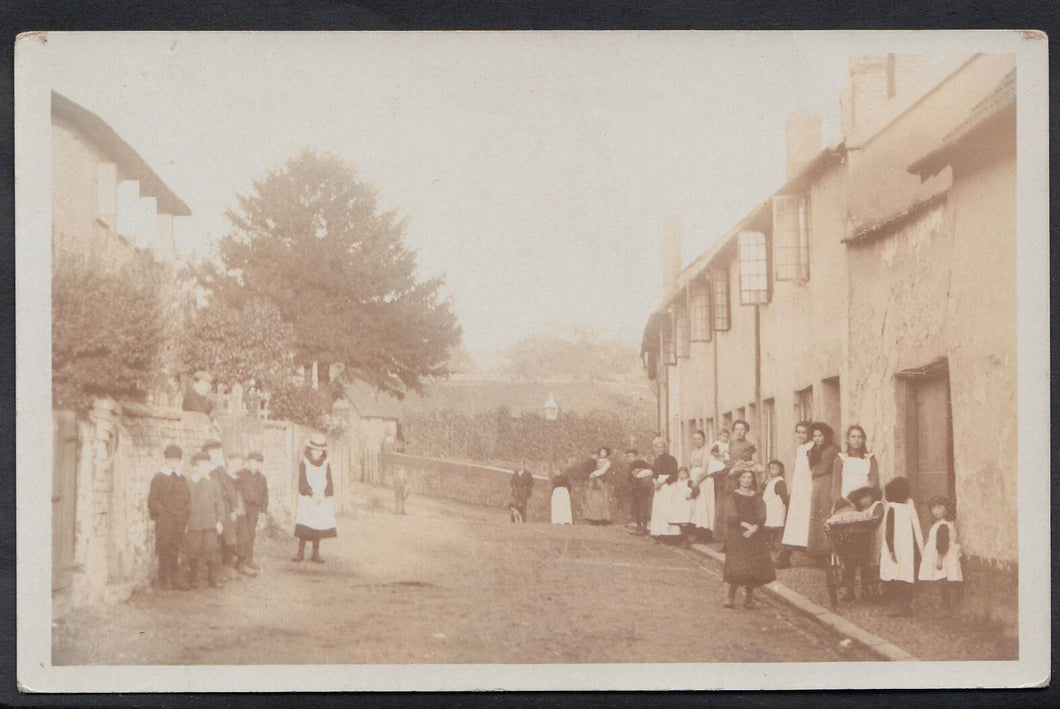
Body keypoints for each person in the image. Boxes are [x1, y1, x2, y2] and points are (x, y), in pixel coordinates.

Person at [722, 468, 776, 609]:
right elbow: (731, 514)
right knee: (737, 565)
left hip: (754, 534)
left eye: (749, 478)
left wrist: (754, 528)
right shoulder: (733, 496)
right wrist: (746, 527)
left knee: (753, 566)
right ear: (738, 479)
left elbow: (761, 514)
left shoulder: (756, 496)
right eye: (744, 477)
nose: (747, 480)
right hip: (738, 533)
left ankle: (748, 598)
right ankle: (730, 597)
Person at [147, 444, 191, 590]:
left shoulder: (181, 478)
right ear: (166, 460)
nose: (173, 463)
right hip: (165, 520)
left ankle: (175, 576)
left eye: (176, 460)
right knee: (164, 547)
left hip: (179, 520)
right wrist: (163, 513)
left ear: (179, 461)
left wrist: (185, 514)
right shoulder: (159, 477)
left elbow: (187, 498)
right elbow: (152, 500)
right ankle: (164, 577)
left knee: (175, 547)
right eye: (171, 460)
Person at [880, 476, 925, 616]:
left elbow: (889, 531)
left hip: (901, 548)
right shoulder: (904, 506)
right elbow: (913, 528)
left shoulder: (896, 508)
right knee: (903, 575)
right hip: (906, 547)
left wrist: (891, 550)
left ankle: (903, 606)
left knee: (900, 576)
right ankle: (903, 605)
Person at [293, 434, 337, 562]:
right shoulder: (305, 463)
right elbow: (302, 482)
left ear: (323, 451)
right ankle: (300, 551)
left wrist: (323, 495)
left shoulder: (325, 464)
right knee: (305, 524)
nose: (317, 453)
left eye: (320, 450)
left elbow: (329, 481)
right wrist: (311, 494)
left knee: (318, 524)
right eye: (314, 449)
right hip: (308, 498)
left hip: (321, 499)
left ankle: (315, 552)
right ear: (309, 450)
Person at [184, 452, 225, 589]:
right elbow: (184, 504)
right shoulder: (188, 482)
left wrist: (219, 521)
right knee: (193, 550)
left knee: (211, 550)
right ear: (195, 467)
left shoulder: (213, 483)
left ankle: (213, 579)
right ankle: (193, 578)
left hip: (210, 523)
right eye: (203, 466)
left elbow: (219, 503)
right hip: (194, 523)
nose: (207, 469)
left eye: (208, 465)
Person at [918, 495, 963, 617]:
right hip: (940, 555)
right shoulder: (940, 524)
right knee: (942, 581)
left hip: (942, 557)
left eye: (939, 508)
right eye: (933, 508)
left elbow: (942, 544)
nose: (936, 511)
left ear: (946, 509)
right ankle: (945, 606)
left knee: (943, 581)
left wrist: (940, 559)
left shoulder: (943, 525)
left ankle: (946, 607)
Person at [777, 421, 814, 568]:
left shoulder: (810, 448)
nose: (800, 435)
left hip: (807, 488)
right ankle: (787, 554)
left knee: (802, 520)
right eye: (798, 432)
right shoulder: (801, 448)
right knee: (796, 520)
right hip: (799, 489)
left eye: (803, 432)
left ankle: (788, 554)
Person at [203, 440, 237, 582]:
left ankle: (227, 568)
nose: (215, 455)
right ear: (206, 453)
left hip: (225, 507)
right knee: (214, 540)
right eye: (212, 452)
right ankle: (214, 572)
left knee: (228, 538)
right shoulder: (205, 470)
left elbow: (230, 489)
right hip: (212, 509)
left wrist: (233, 508)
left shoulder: (221, 470)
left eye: (217, 452)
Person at [806, 422, 840, 559]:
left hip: (827, 482)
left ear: (826, 436)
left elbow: (822, 467)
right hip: (817, 484)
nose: (817, 438)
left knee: (826, 514)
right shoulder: (813, 450)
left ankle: (828, 550)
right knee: (816, 515)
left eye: (820, 435)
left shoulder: (832, 449)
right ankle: (818, 550)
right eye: (814, 436)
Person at [223, 452, 257, 577]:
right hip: (230, 513)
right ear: (228, 462)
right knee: (229, 539)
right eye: (234, 463)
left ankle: (241, 564)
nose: (236, 466)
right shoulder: (224, 478)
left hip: (242, 512)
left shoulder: (241, 478)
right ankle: (227, 567)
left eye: (239, 464)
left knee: (244, 537)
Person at [236, 451, 268, 571]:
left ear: (260, 464)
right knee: (243, 535)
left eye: (257, 463)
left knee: (251, 534)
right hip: (242, 507)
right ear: (248, 462)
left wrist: (263, 511)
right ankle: (240, 561)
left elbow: (265, 495)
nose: (254, 465)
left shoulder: (262, 478)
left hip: (254, 509)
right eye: (252, 462)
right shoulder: (242, 475)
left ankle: (249, 560)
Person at [832, 425, 881, 502]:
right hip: (846, 499)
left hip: (865, 500)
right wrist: (839, 503)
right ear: (848, 439)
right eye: (853, 437)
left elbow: (874, 482)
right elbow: (836, 485)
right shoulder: (840, 459)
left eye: (859, 437)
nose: (856, 440)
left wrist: (868, 499)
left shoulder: (870, 459)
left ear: (863, 439)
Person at [648, 437, 680, 541]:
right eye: (657, 447)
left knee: (667, 508)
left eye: (662, 447)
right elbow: (654, 474)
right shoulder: (656, 460)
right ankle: (659, 532)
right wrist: (655, 482)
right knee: (659, 509)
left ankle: (669, 534)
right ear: (655, 448)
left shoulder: (671, 459)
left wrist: (662, 483)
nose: (660, 449)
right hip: (659, 487)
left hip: (668, 485)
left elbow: (674, 474)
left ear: (665, 447)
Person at [688, 430, 714, 542]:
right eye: (694, 439)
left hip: (704, 480)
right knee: (695, 505)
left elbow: (705, 468)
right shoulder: (694, 451)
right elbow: (691, 466)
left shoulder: (707, 450)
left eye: (699, 438)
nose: (697, 441)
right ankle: (698, 531)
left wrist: (697, 481)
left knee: (703, 505)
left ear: (704, 439)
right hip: (694, 477)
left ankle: (706, 533)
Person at [761, 460, 789, 553]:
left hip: (776, 508)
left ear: (780, 470)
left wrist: (784, 504)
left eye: (776, 469)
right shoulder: (772, 481)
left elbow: (783, 497)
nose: (773, 471)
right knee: (769, 527)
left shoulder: (780, 482)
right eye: (771, 469)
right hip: (769, 508)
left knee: (775, 527)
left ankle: (776, 545)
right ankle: (770, 544)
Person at [625, 450, 653, 535]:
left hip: (643, 490)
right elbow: (629, 478)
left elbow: (650, 470)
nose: (630, 458)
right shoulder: (630, 466)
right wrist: (634, 476)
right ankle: (639, 527)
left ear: (636, 456)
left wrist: (640, 472)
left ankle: (644, 527)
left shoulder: (641, 463)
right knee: (636, 508)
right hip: (635, 490)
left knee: (644, 508)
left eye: (632, 456)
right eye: (628, 456)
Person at [668, 466, 697, 546]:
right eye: (680, 473)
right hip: (679, 505)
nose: (681, 475)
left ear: (687, 474)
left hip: (686, 504)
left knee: (685, 522)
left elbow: (696, 489)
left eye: (683, 473)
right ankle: (682, 539)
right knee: (679, 522)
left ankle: (686, 540)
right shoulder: (678, 482)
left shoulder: (689, 482)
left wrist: (691, 495)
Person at [583, 448, 613, 524]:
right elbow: (591, 467)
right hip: (594, 481)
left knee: (602, 498)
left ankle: (603, 518)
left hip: (602, 481)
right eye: (601, 452)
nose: (602, 453)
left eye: (604, 452)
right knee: (594, 498)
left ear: (607, 454)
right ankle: (593, 517)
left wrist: (594, 474)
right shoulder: (596, 461)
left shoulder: (607, 462)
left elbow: (603, 470)